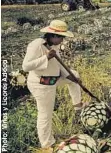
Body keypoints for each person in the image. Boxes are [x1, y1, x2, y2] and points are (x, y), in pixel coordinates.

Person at [22, 20, 86, 151]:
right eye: (61, 37)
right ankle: (46, 145)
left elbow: (59, 65)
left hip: (53, 78)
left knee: (75, 75)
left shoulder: (54, 45)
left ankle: (77, 106)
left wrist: (71, 77)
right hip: (41, 84)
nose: (63, 40)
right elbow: (26, 66)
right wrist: (46, 58)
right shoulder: (36, 45)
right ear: (53, 35)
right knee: (45, 114)